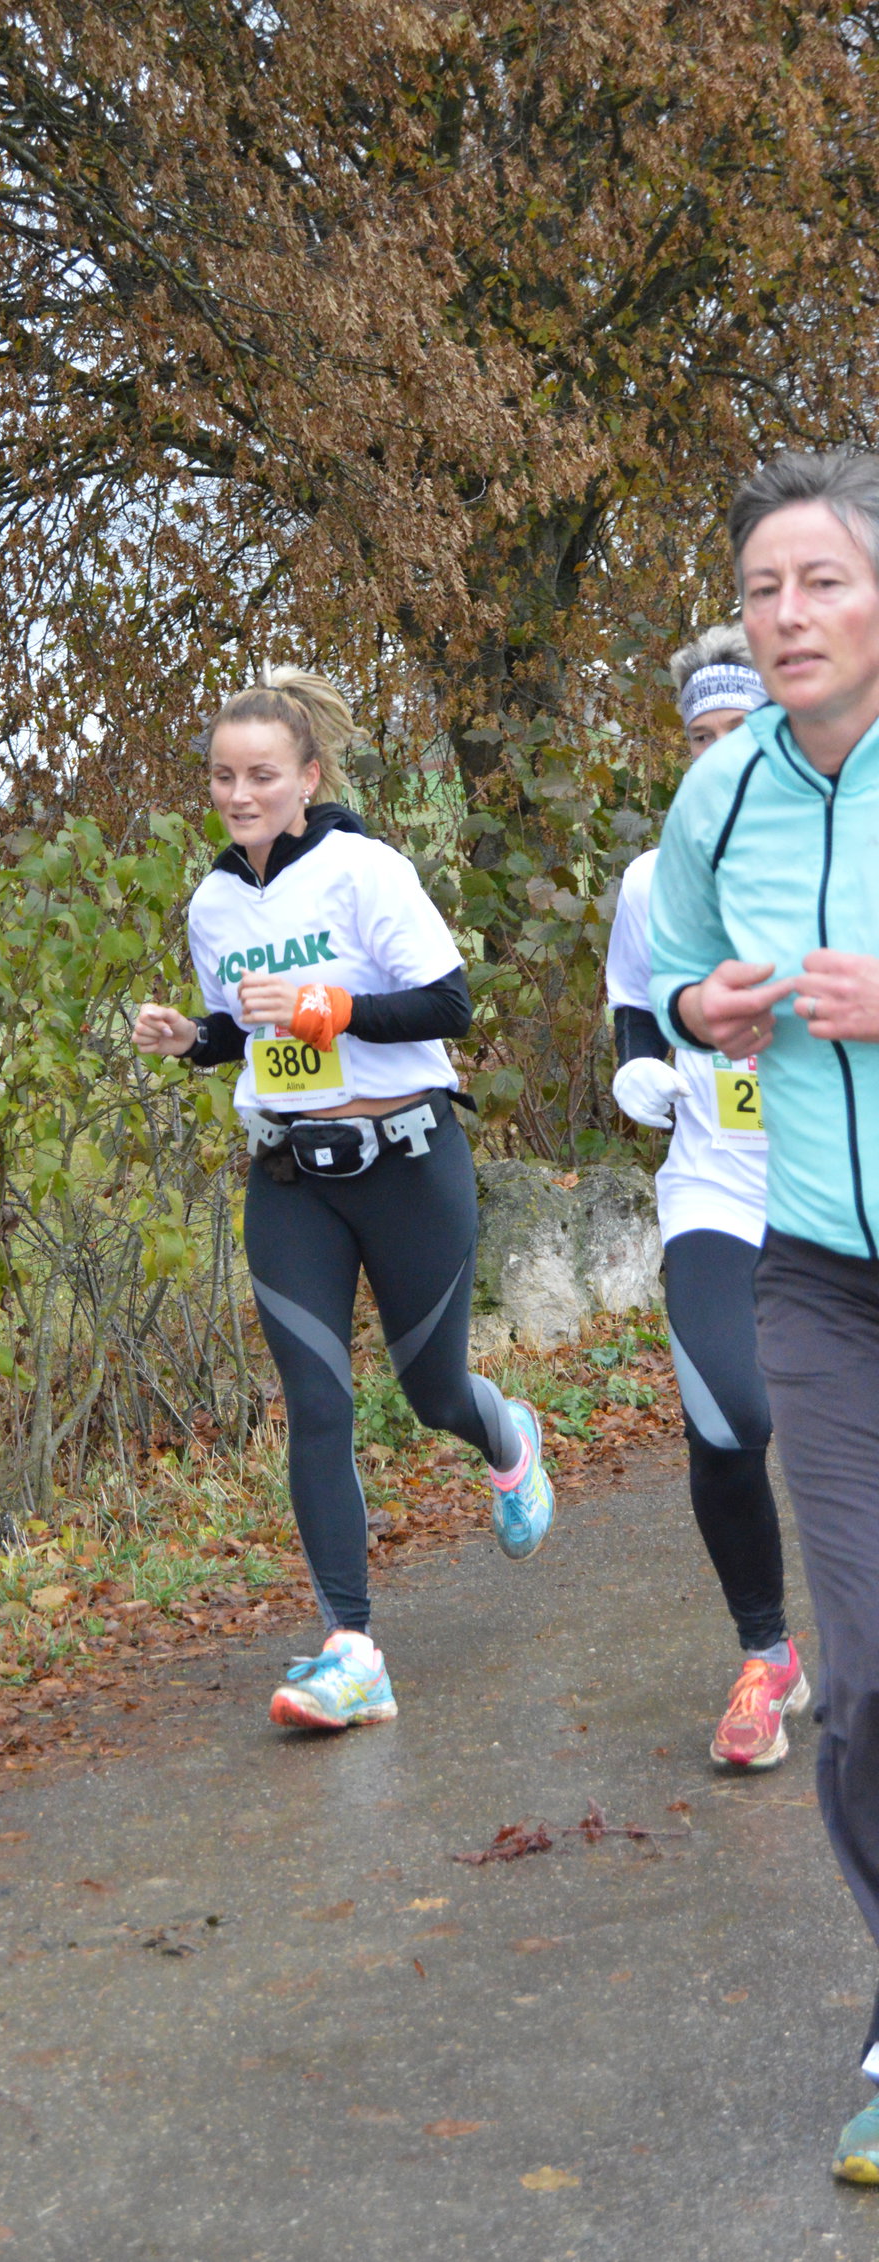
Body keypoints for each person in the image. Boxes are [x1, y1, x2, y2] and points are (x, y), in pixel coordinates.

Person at [133, 664, 554, 1734]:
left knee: (432, 1393)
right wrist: (192, 1038)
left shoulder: (365, 870)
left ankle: (506, 1437)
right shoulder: (213, 903)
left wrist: (330, 1005)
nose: (238, 795)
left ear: (308, 777)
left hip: (407, 1164)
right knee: (316, 1406)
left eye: (261, 776)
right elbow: (244, 1029)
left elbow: (448, 1005)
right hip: (290, 1177)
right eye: (222, 777)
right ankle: (352, 1650)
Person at [647, 448, 879, 2184]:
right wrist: (696, 1006)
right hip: (815, 1273)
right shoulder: (719, 793)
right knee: (863, 1679)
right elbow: (664, 965)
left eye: (821, 580)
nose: (786, 615)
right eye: (759, 590)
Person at [605, 623, 808, 1768]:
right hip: (715, 1190)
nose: (717, 752)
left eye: (740, 729)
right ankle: (765, 1656)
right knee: (729, 1419)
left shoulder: (840, 850)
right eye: (699, 736)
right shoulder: (651, 879)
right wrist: (638, 1066)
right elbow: (636, 1002)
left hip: (840, 1186)